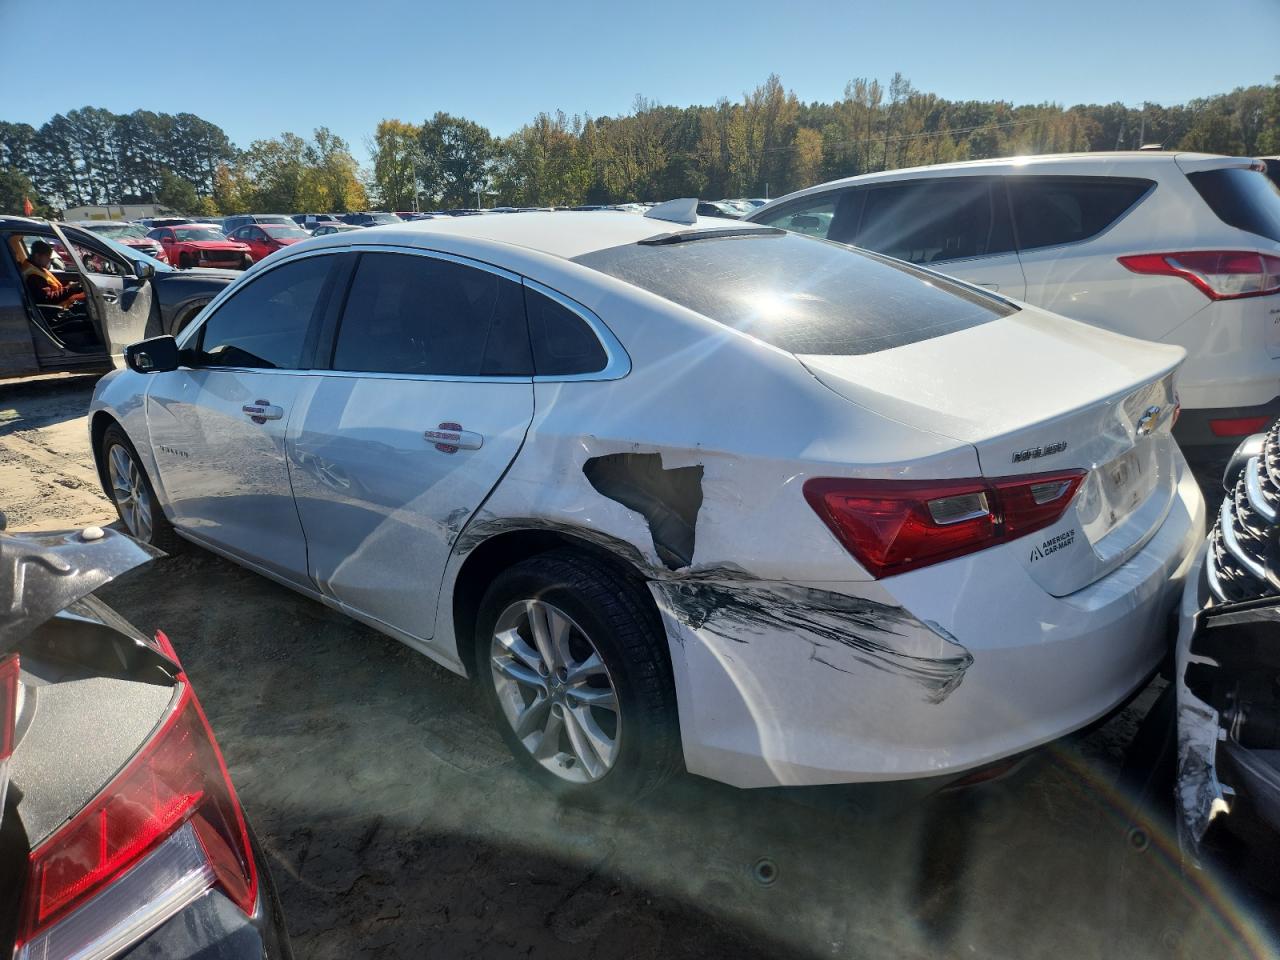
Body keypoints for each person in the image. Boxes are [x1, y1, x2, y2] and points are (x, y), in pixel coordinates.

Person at [21, 240, 84, 307]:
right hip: (55, 309)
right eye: (47, 256)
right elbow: (48, 299)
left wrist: (69, 287)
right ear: (37, 256)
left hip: (58, 303)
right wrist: (69, 288)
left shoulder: (36, 267)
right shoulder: (33, 276)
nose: (49, 259)